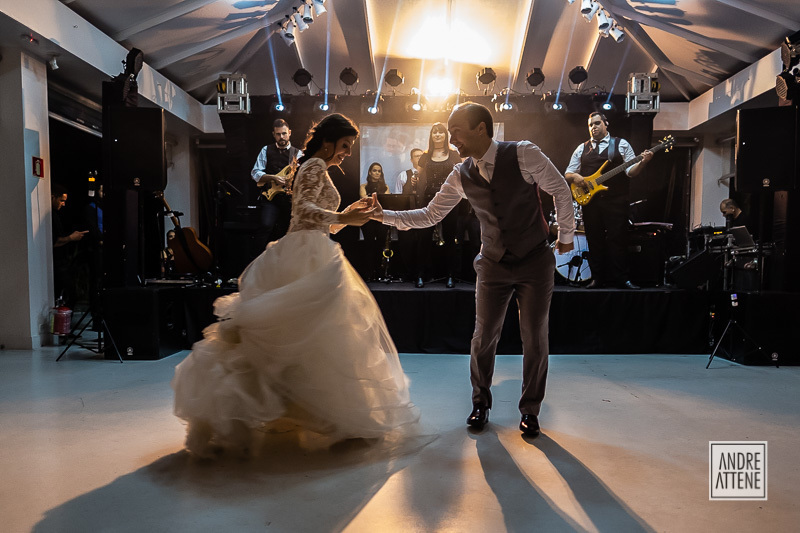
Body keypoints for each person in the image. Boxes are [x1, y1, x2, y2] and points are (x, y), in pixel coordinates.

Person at [173, 114, 419, 458]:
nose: (347, 153)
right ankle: (320, 415)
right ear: (329, 141)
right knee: (309, 334)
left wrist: (348, 213)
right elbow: (303, 210)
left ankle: (318, 412)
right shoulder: (315, 164)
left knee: (316, 337)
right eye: (345, 146)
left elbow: (324, 225)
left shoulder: (318, 167)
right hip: (303, 255)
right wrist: (343, 217)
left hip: (315, 248)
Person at [370, 102, 575, 438]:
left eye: (457, 132)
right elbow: (429, 215)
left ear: (481, 128)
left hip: (534, 261)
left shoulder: (524, 154)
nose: (452, 141)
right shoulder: (460, 174)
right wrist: (383, 217)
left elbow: (561, 191)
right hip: (493, 264)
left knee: (535, 338)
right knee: (483, 337)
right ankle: (480, 403)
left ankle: (530, 410)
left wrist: (565, 237)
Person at [565, 112, 653, 290]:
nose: (593, 127)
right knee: (594, 239)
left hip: (616, 200)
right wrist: (576, 177)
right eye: (590, 125)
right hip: (591, 202)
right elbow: (568, 173)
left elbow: (630, 172)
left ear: (606, 124)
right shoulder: (582, 148)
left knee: (617, 239)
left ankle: (621, 279)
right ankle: (597, 278)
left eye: (597, 123)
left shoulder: (620, 145)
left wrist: (643, 163)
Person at [415, 122, 463, 288]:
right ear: (431, 135)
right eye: (434, 132)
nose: (437, 135)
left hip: (449, 200)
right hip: (429, 199)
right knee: (424, 238)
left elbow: (461, 175)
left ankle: (451, 275)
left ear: (445, 135)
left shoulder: (454, 154)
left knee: (450, 237)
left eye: (440, 132)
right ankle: (421, 275)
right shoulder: (425, 156)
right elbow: (419, 179)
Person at [251, 119, 302, 244]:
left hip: (289, 199)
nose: (282, 137)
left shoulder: (298, 154)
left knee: (289, 231)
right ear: (274, 134)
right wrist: (272, 177)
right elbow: (255, 173)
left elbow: (302, 177)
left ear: (289, 133)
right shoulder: (266, 150)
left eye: (284, 133)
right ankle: (258, 259)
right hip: (270, 199)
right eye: (278, 134)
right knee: (265, 226)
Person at [51, 184, 87, 307]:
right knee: (70, 295)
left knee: (66, 294)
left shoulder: (54, 215)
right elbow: (54, 242)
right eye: (61, 200)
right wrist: (71, 238)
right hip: (58, 264)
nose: (63, 204)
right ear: (52, 197)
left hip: (60, 262)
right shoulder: (51, 216)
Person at [359, 162, 390, 281]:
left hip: (381, 219)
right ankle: (368, 273)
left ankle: (379, 272)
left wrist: (373, 200)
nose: (377, 173)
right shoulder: (363, 186)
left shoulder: (385, 187)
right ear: (370, 172)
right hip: (368, 219)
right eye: (375, 170)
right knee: (369, 245)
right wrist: (376, 201)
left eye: (379, 171)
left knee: (381, 245)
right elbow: (364, 200)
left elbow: (386, 201)